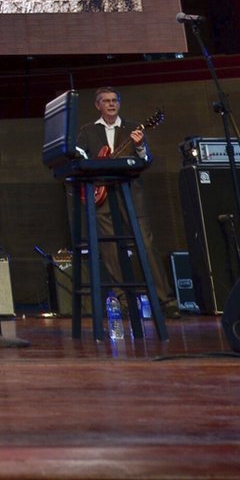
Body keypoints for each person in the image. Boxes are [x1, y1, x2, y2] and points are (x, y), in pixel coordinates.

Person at [82, 87, 178, 317]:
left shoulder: (134, 128)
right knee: (110, 249)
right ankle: (123, 301)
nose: (111, 104)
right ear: (98, 105)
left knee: (145, 244)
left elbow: (146, 160)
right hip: (102, 196)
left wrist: (140, 146)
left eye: (115, 100)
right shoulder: (87, 131)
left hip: (130, 192)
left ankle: (165, 301)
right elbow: (80, 159)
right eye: (106, 101)